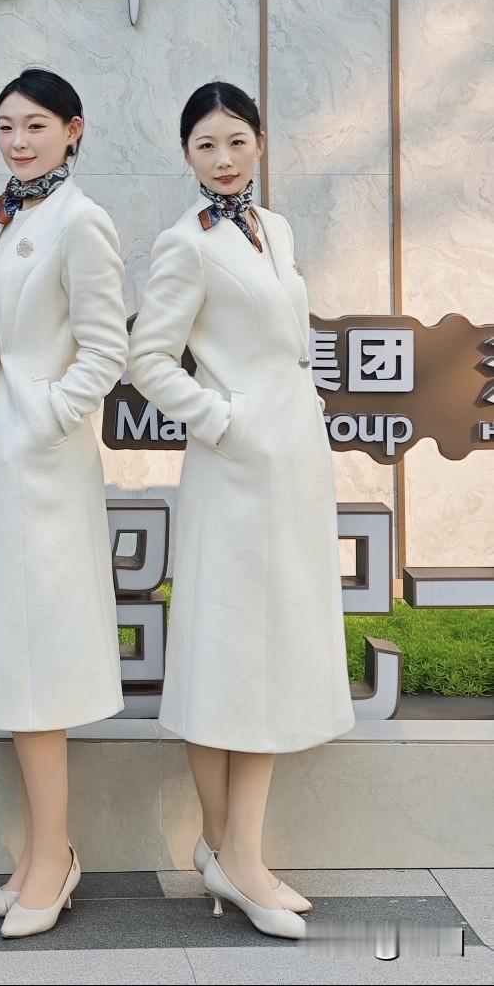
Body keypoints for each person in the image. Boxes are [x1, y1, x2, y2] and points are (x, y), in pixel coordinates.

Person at [128, 80, 354, 942]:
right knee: (231, 656)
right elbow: (149, 358)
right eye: (205, 145)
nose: (222, 159)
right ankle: (244, 860)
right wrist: (226, 419)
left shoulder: (276, 228)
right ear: (186, 154)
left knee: (261, 650)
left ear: (260, 140)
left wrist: (294, 414)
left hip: (291, 469)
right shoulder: (184, 243)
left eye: (235, 140)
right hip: (234, 474)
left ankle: (226, 849)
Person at [0, 68, 128, 940]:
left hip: (38, 467)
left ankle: (53, 856)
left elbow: (106, 347)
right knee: (12, 661)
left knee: (39, 666)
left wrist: (45, 418)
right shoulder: (7, 215)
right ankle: (36, 853)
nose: (18, 140)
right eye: (7, 125)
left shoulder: (80, 220)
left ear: (73, 130)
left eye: (37, 125)